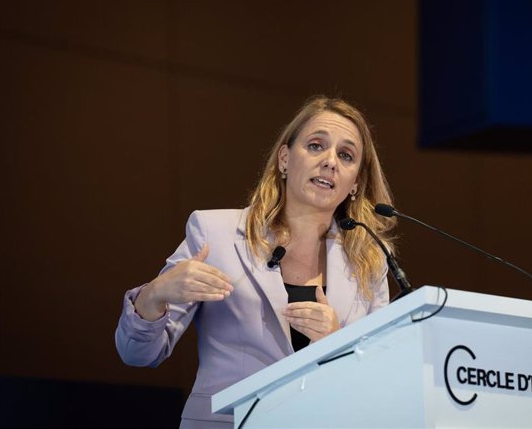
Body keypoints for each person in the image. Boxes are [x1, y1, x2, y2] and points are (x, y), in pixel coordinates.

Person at [115, 95, 397, 428]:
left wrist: (337, 343)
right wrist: (155, 294)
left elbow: (381, 384)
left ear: (356, 183)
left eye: (346, 155)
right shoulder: (215, 234)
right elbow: (138, 354)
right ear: (284, 159)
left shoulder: (369, 261)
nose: (330, 161)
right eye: (316, 146)